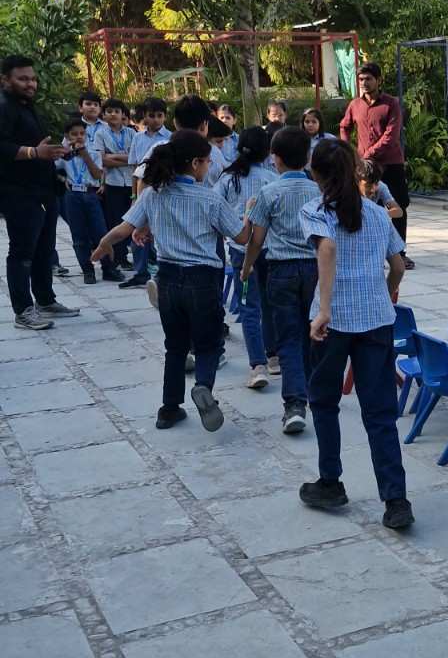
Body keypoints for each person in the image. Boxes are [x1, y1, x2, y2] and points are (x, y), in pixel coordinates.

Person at [93, 130, 251, 432]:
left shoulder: (152, 193)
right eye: (206, 162)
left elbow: (126, 228)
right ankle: (203, 387)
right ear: (195, 163)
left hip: (166, 277)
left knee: (175, 346)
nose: (208, 168)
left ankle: (169, 408)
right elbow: (241, 237)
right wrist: (249, 215)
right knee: (208, 343)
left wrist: (104, 243)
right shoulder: (210, 198)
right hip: (202, 279)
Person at [300, 137, 413, 530]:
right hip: (377, 321)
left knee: (325, 401)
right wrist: (383, 298)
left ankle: (330, 481)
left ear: (316, 175)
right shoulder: (379, 213)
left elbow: (327, 249)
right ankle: (396, 500)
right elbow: (397, 266)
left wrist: (326, 308)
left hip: (332, 324)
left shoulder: (315, 211)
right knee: (380, 412)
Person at [240, 125, 320, 435]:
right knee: (313, 333)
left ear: (276, 159)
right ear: (308, 157)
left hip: (281, 270)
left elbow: (256, 240)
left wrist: (247, 267)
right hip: (314, 269)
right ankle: (315, 391)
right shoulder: (318, 191)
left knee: (287, 338)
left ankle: (295, 405)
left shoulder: (268, 192)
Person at [0, 53, 78, 330]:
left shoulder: (27, 106)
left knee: (45, 249)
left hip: (42, 190)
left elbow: (38, 146)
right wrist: (35, 152)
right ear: (5, 80)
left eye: (33, 78)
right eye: (23, 79)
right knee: (22, 251)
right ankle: (23, 310)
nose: (30, 83)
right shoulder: (4, 107)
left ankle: (45, 299)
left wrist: (57, 153)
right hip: (18, 193)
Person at [219, 126, 277, 390]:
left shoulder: (228, 178)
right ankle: (273, 356)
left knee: (249, 307)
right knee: (269, 303)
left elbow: (215, 208)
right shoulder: (272, 177)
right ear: (267, 151)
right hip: (270, 249)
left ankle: (257, 365)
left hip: (240, 250)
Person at [340, 62, 412, 267]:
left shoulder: (391, 104)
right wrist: (350, 152)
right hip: (364, 167)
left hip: (390, 163)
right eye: (361, 79)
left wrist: (367, 154)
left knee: (398, 205)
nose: (364, 83)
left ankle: (399, 252)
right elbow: (344, 126)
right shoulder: (354, 105)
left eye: (368, 79)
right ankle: (368, 250)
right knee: (364, 206)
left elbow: (391, 135)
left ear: (379, 80)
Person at [56, 118, 123, 283]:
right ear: (67, 136)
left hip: (90, 194)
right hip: (72, 196)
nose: (79, 137)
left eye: (82, 133)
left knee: (100, 232)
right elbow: (55, 170)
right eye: (74, 134)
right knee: (79, 236)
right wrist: (62, 178)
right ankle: (88, 270)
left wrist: (85, 155)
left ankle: (108, 268)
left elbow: (97, 174)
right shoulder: (63, 155)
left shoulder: (93, 152)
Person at [122, 98, 170, 288]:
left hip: (162, 192)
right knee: (136, 230)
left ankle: (160, 270)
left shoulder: (170, 138)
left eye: (160, 115)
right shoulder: (138, 138)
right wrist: (135, 197)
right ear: (144, 117)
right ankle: (140, 271)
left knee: (159, 233)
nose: (156, 120)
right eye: (152, 116)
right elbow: (135, 168)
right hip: (143, 191)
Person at [94, 98, 136, 270]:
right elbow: (101, 160)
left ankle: (128, 255)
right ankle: (118, 257)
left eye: (117, 111)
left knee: (132, 221)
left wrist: (113, 156)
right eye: (109, 111)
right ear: (103, 115)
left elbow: (137, 158)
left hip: (131, 183)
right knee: (115, 221)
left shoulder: (132, 133)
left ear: (123, 114)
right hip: (113, 183)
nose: (113, 114)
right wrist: (125, 159)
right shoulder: (100, 133)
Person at [78, 89, 104, 156]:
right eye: (88, 104)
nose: (92, 107)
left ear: (100, 109)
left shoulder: (107, 127)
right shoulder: (73, 127)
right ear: (80, 108)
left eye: (96, 105)